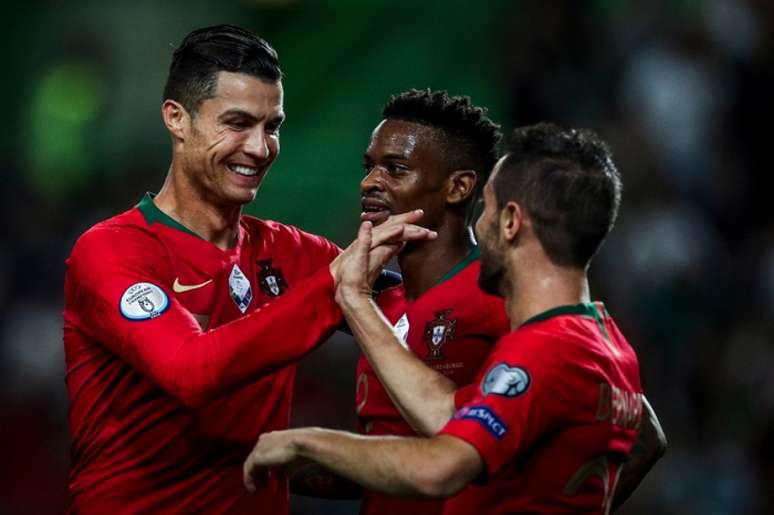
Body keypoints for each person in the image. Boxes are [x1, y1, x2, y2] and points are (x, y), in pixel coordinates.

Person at [63, 25, 433, 514]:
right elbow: (190, 371)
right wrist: (335, 286)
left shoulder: (294, 253)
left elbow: (418, 332)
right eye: (237, 123)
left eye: (272, 126)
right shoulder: (112, 251)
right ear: (177, 119)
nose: (260, 148)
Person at [245, 123, 666, 513]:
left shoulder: (545, 348)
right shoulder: (608, 343)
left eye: (486, 208)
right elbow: (445, 415)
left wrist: (305, 441)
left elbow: (438, 467)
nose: (478, 225)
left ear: (511, 221)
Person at [290, 89, 510, 515]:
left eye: (395, 168)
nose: (370, 182)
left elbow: (639, 440)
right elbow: (391, 466)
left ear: (458, 187)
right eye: (369, 167)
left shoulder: (497, 294)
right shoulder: (379, 304)